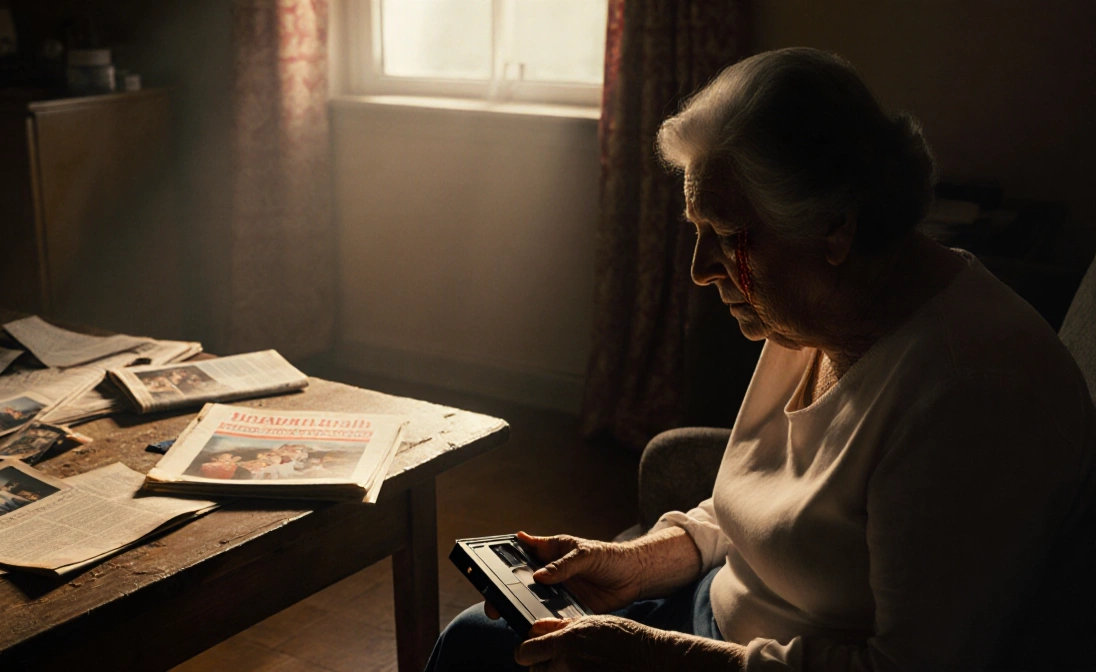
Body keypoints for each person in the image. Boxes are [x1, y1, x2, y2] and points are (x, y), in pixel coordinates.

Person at [425, 47, 1096, 671]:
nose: (698, 270)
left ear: (835, 227)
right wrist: (633, 562)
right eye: (698, 233)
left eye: (724, 235)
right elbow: (755, 509)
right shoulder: (818, 309)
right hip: (706, 618)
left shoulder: (967, 394)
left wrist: (652, 657)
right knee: (472, 639)